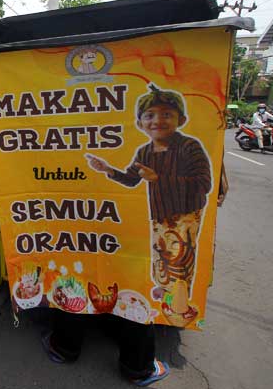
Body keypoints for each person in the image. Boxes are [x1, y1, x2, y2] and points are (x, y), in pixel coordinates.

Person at [86, 84, 211, 317]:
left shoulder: (189, 147)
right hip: (159, 214)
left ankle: (180, 308)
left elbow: (204, 184)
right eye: (150, 115)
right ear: (139, 123)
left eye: (166, 114)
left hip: (186, 213)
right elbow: (132, 180)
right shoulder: (144, 152)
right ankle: (165, 290)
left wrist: (159, 178)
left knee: (180, 258)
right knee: (161, 253)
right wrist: (108, 170)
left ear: (181, 119)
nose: (157, 120)